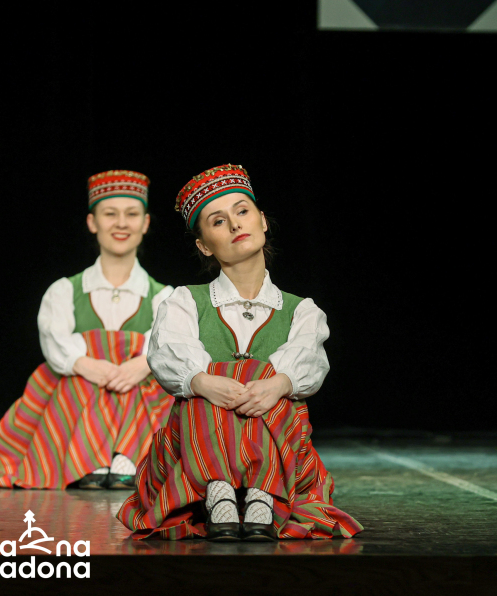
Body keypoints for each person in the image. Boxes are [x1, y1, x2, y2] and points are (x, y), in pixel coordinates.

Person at [117, 164, 362, 541]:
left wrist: (277, 384)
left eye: (242, 211)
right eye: (218, 221)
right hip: (194, 453)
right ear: (204, 245)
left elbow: (307, 365)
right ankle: (219, 493)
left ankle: (263, 494)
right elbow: (170, 355)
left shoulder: (302, 311)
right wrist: (202, 382)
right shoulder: (185, 302)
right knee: (203, 385)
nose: (235, 225)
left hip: (279, 447)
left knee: (272, 382)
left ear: (262, 220)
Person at [0, 170, 174, 489]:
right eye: (110, 214)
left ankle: (128, 455)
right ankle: (89, 457)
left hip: (140, 394)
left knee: (145, 381)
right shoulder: (65, 291)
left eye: (131, 214)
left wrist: (140, 365)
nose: (121, 223)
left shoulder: (164, 296)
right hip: (81, 394)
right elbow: (58, 348)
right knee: (77, 378)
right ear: (92, 222)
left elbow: (165, 348)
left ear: (145, 223)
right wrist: (90, 366)